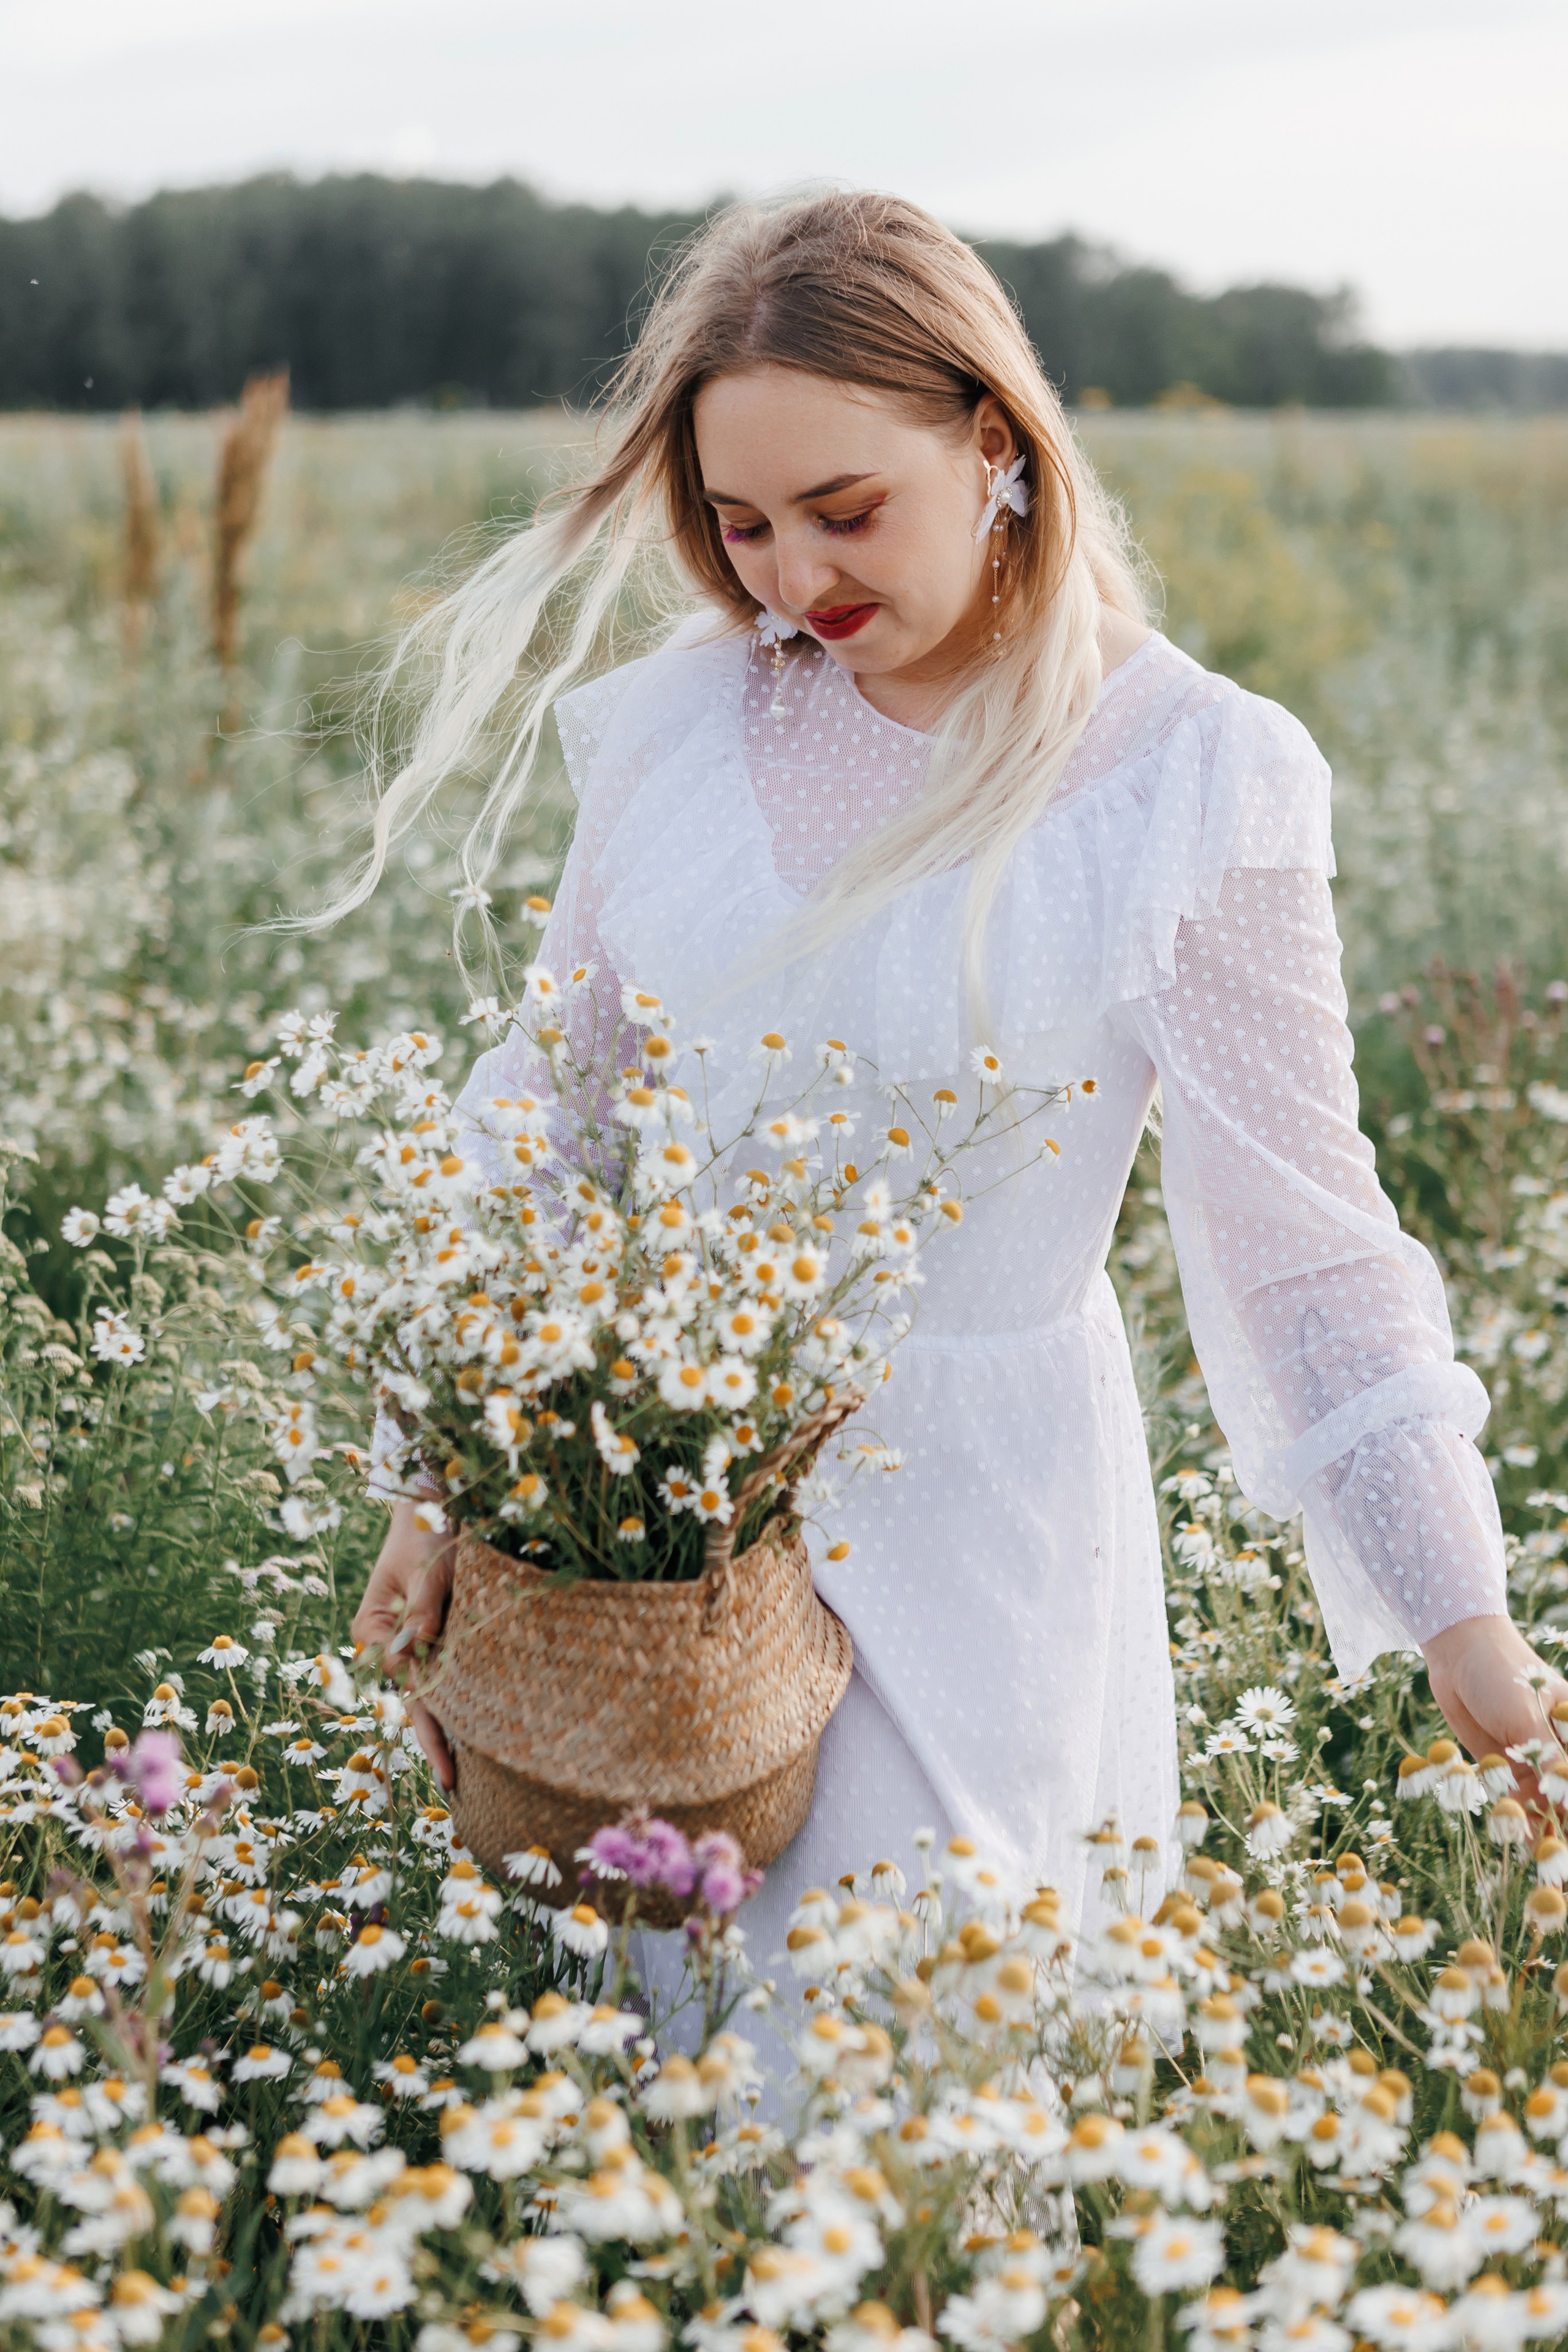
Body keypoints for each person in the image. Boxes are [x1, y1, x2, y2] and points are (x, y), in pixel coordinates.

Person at [351, 190, 1559, 1967]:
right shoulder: (688, 724)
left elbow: (1306, 1244)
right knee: (662, 2104)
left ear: (996, 442)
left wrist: (1474, 1639)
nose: (792, 581)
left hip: (991, 1523)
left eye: (848, 512)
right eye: (743, 523)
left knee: (926, 2092)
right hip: (664, 1539)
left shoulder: (1194, 775)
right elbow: (555, 1119)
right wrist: (443, 1489)